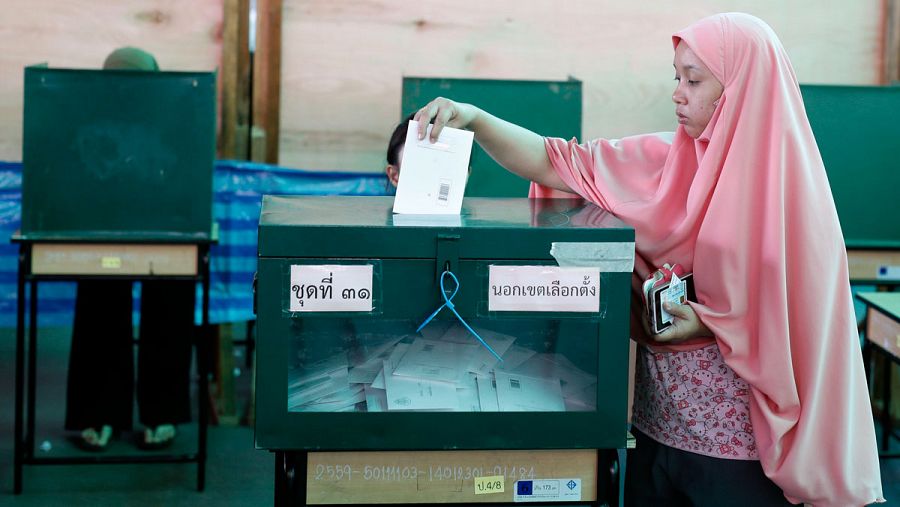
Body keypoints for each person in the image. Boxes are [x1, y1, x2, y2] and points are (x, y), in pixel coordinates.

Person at [413, 13, 883, 507]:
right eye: (675, 77)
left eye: (695, 80)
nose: (678, 93)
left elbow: (802, 325)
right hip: (655, 429)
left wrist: (706, 324)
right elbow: (554, 161)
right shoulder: (659, 161)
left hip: (743, 453)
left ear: (743, 87)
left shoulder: (794, 195)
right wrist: (476, 118)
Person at [65, 47, 194, 451]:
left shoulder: (175, 114)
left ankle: (161, 412)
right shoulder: (89, 115)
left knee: (169, 310)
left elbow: (185, 168)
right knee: (99, 310)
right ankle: (100, 413)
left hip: (164, 225)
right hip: (106, 226)